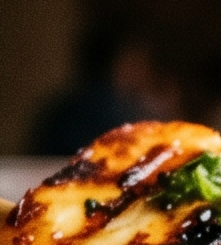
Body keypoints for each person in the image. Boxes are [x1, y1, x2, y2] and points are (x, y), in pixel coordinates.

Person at [30, 25, 176, 156]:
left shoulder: (68, 102)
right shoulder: (102, 107)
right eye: (137, 61)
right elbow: (138, 150)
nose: (144, 70)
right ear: (119, 62)